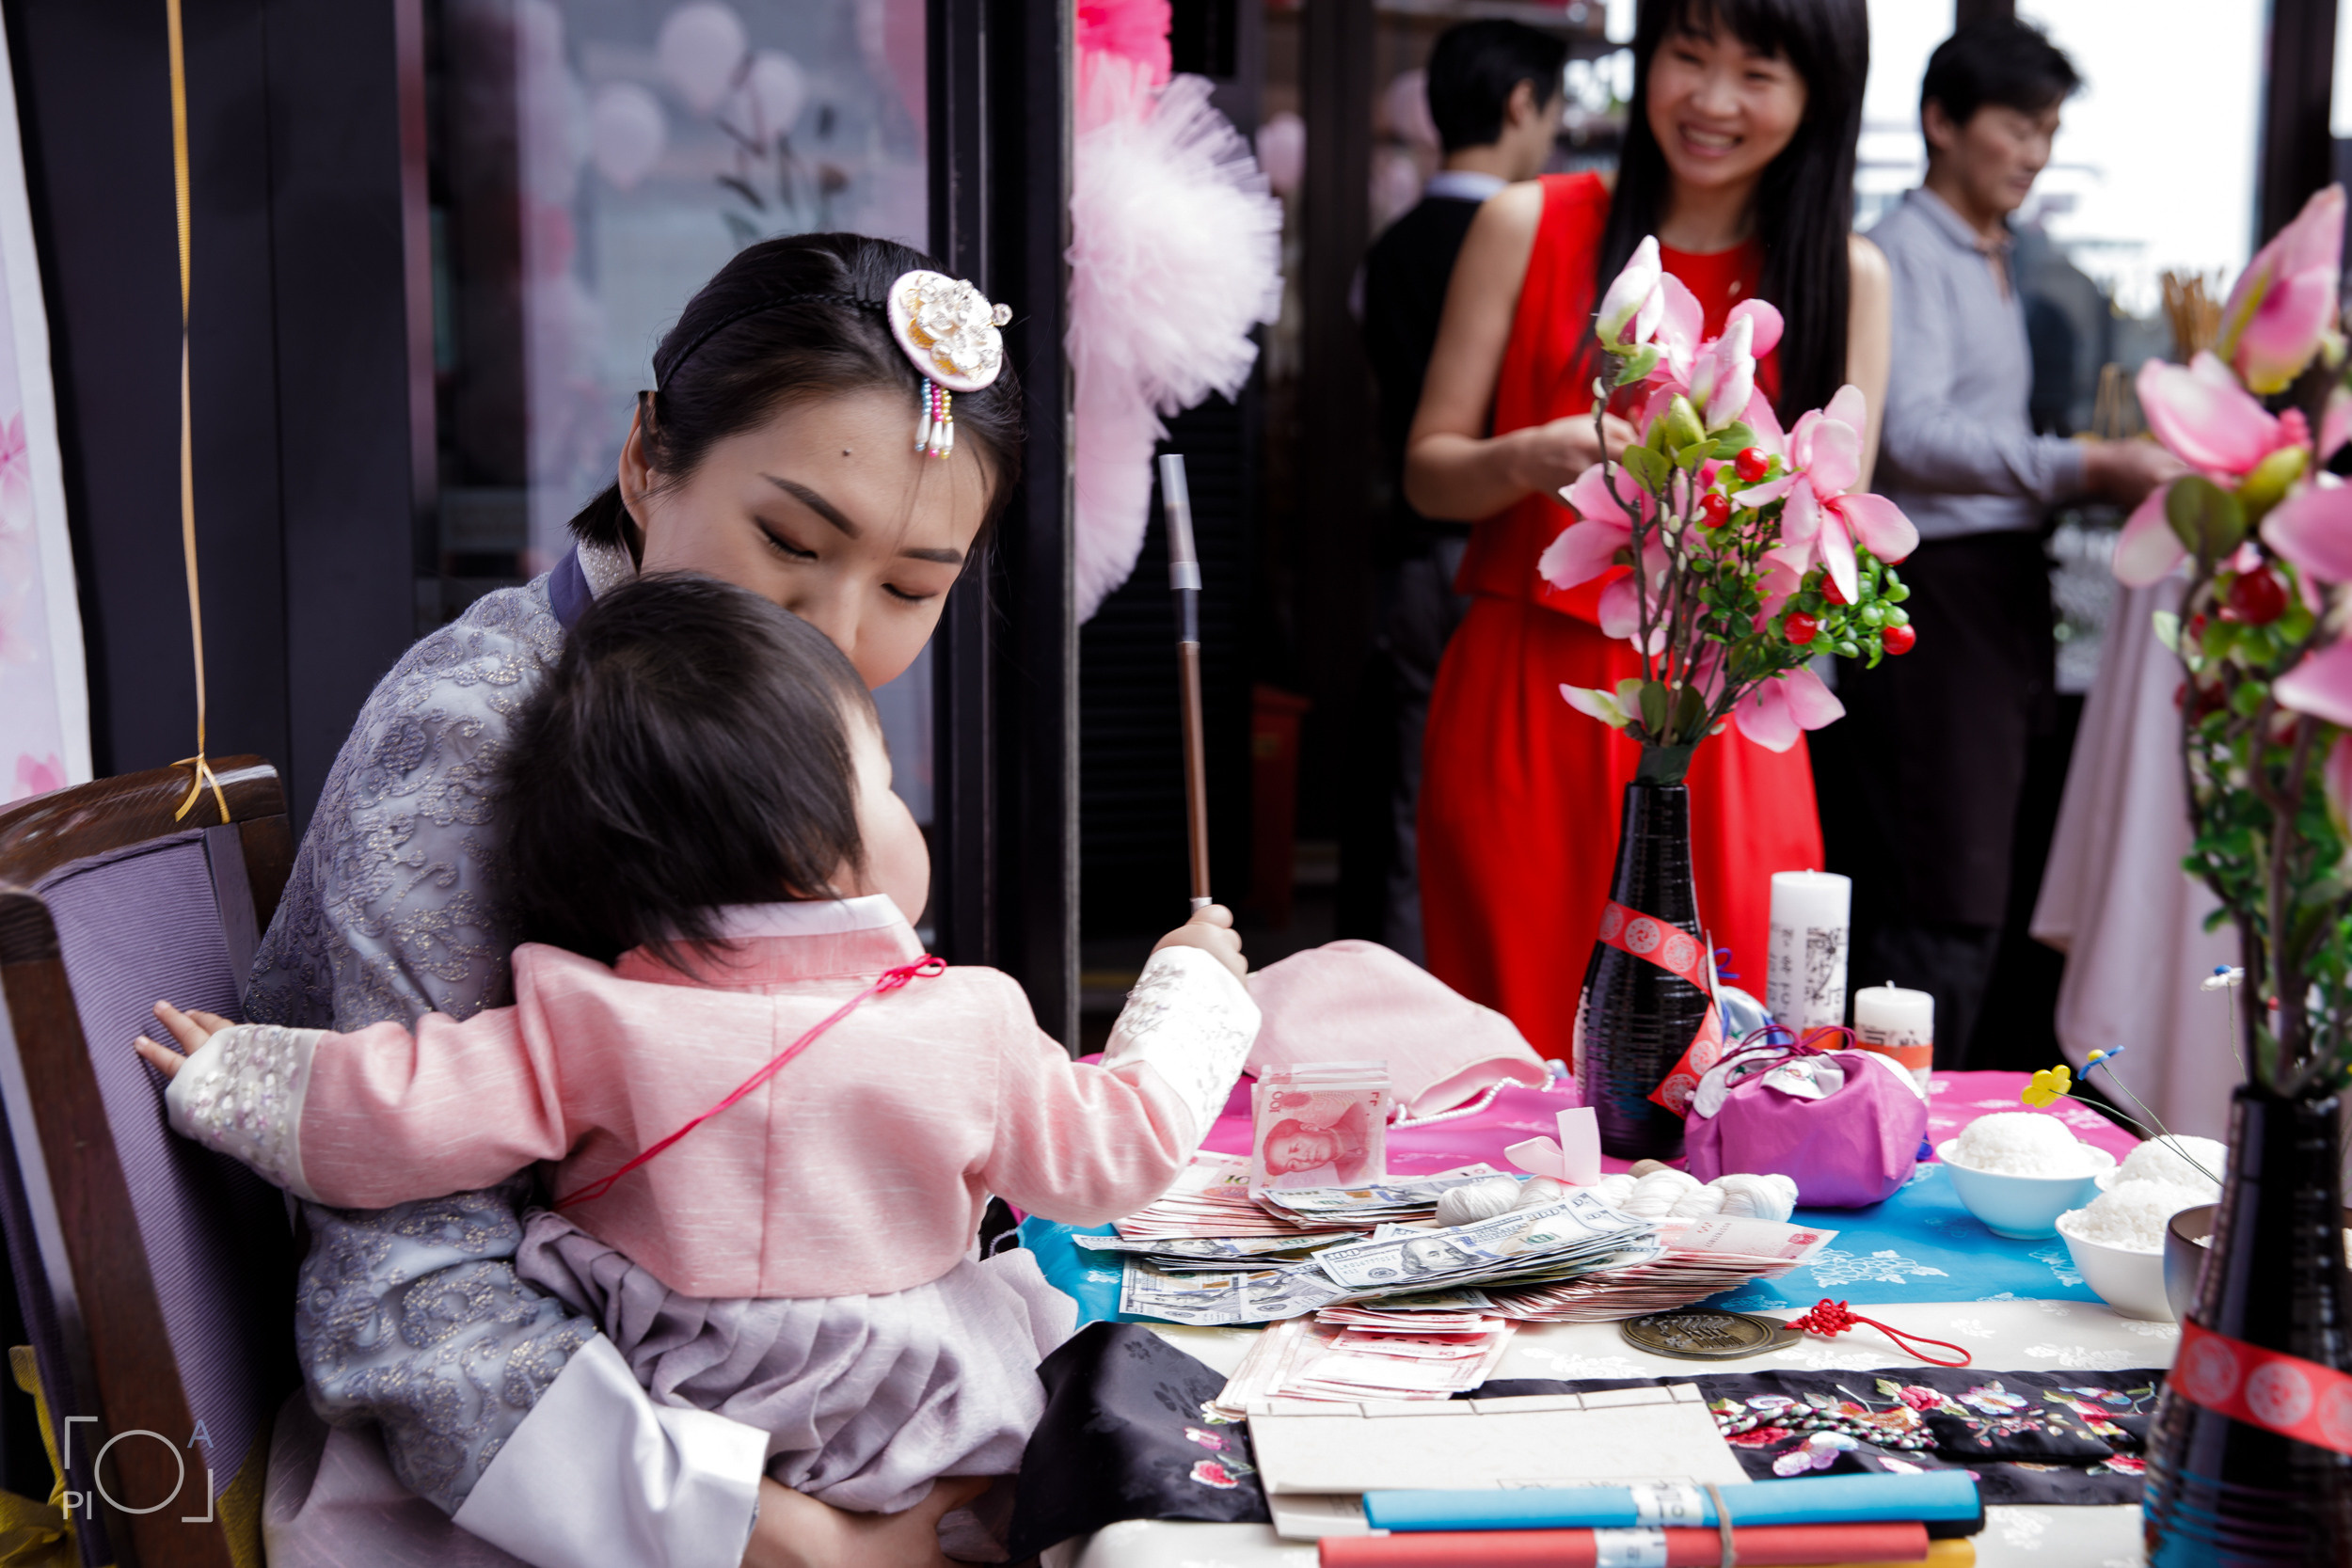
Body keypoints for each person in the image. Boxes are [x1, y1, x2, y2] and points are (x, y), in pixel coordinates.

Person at [142, 575, 1259, 1563]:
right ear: (815, 839)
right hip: (913, 1418)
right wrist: (1190, 983)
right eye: (879, 781)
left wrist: (241, 1078)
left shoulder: (585, 1016)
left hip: (667, 1404)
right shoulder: (969, 1022)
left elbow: (397, 1108)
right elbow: (1121, 1147)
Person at [239, 232, 1022, 1568]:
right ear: (648, 459)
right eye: (789, 539)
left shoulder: (763, 725)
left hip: (762, 1401)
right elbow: (412, 1288)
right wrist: (808, 1542)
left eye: (909, 589)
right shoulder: (473, 740)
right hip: (542, 1488)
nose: (834, 632)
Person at [1405, 0, 1890, 1061]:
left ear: (1817, 97)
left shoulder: (1844, 276)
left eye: (1757, 73)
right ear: (1645, 61)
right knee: (1513, 1059)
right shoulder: (1527, 222)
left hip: (1730, 721)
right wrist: (1527, 457)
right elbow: (1427, 474)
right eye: (1687, 56)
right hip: (1528, 697)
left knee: (1727, 1064)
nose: (1711, 101)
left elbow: (1834, 549)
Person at [1833, 20, 2180, 1063]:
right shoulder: (1900, 253)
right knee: (1941, 881)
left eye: (2048, 131)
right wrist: (2086, 464)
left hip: (1998, 588)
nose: (2033, 152)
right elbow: (1912, 434)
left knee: (1988, 875)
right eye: (2017, 127)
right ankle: (1894, 1115)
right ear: (1941, 121)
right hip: (1932, 593)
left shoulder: (1997, 254)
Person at [1356, 20, 1568, 963]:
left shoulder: (1390, 249)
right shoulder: (1535, 244)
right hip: (1519, 564)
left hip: (1411, 554)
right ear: (1522, 102)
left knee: (1414, 802)